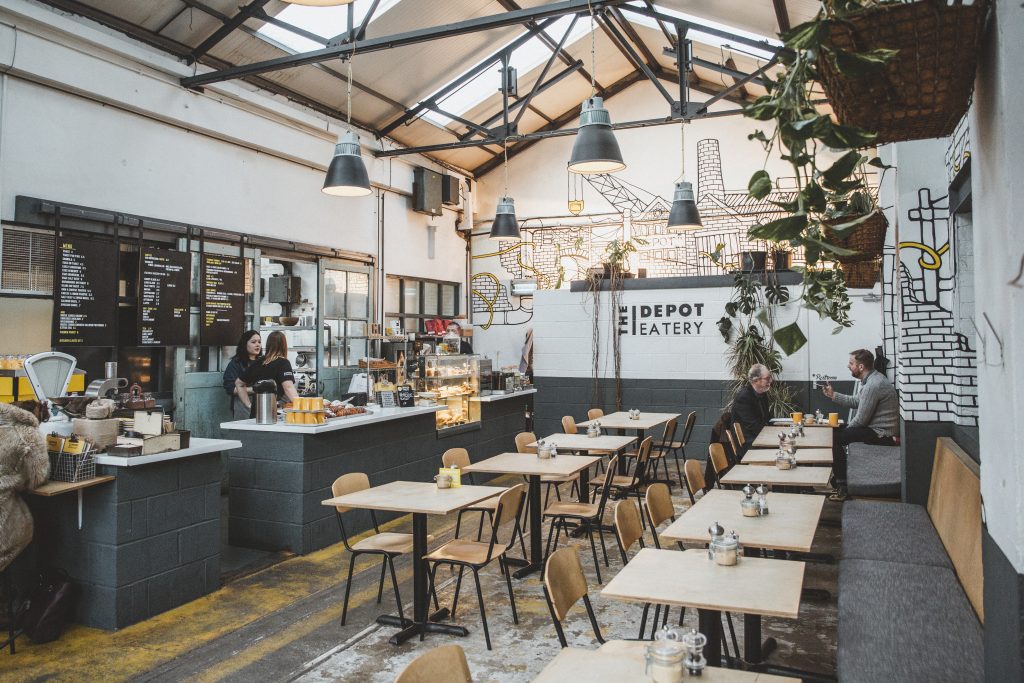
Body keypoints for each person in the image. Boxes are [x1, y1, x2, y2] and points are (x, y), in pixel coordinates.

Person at [822, 348, 899, 496]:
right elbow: (856, 401)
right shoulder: (872, 379)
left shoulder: (873, 385)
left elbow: (861, 420)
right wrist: (833, 395)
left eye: (851, 363)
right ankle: (840, 479)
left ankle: (843, 484)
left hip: (882, 434)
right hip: (873, 429)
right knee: (834, 432)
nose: (848, 365)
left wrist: (846, 432)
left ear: (861, 367)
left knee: (833, 437)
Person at [1, 401, 50, 572]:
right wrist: (18, 477)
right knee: (24, 535)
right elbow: (37, 477)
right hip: (4, 521)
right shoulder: (27, 433)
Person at [238, 331, 300, 417]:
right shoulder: (283, 363)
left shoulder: (257, 362)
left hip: (256, 414)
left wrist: (249, 405)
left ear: (267, 344)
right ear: (284, 345)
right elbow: (288, 387)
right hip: (272, 414)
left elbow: (239, 383)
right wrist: (301, 406)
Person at [731, 363, 773, 446]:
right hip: (747, 441)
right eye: (767, 378)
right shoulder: (744, 397)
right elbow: (753, 426)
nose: (770, 381)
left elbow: (767, 418)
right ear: (756, 380)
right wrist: (771, 436)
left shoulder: (763, 393)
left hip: (758, 436)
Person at [224, 330, 262, 420]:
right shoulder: (236, 363)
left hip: (262, 402)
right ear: (245, 344)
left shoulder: (263, 362)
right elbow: (231, 388)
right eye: (253, 342)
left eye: (259, 342)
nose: (257, 345)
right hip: (242, 404)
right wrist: (255, 389)